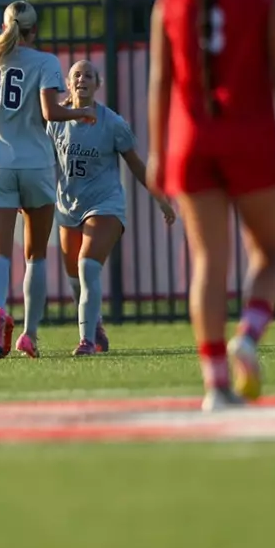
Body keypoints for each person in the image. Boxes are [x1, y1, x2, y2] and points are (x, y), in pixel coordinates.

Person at [148, 0, 275, 409]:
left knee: (207, 263)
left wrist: (156, 152)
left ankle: (216, 383)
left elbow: (160, 80)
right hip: (248, 136)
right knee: (270, 252)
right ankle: (248, 334)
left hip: (191, 140)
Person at [0, 0, 96, 361]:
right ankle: (29, 334)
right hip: (35, 164)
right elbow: (50, 112)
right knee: (35, 256)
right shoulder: (45, 62)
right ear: (34, 30)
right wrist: (81, 112)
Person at [49, 59, 175, 356]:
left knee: (87, 266)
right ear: (68, 84)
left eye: (88, 75)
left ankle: (86, 341)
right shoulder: (56, 121)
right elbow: (42, 161)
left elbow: (135, 164)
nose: (82, 79)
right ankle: (96, 326)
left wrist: (161, 198)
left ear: (97, 84)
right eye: (76, 75)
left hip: (105, 204)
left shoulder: (113, 123)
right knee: (74, 279)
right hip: (68, 206)